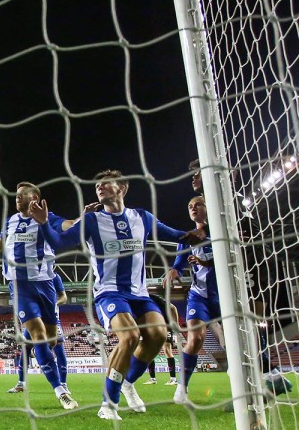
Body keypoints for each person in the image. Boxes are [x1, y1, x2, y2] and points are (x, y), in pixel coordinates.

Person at [30, 169, 205, 420]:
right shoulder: (92, 221)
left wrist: (200, 234)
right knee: (130, 336)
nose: (99, 187)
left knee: (157, 335)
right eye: (97, 185)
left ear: (122, 188)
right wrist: (44, 223)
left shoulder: (141, 217)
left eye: (105, 184)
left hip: (140, 294)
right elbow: (59, 244)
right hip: (109, 293)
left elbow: (175, 235)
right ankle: (107, 404)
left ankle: (126, 382)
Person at [0, 182, 81, 409]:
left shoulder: (47, 218)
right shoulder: (11, 221)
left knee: (51, 339)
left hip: (45, 285)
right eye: (15, 195)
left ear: (34, 197)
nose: (17, 198)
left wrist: (82, 219)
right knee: (37, 335)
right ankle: (60, 390)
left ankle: (53, 374)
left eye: (22, 194)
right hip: (20, 285)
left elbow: (67, 225)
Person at [167, 195, 219, 403]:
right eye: (190, 206)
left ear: (209, 206)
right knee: (195, 337)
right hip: (199, 295)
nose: (193, 208)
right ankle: (182, 388)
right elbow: (179, 262)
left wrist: (206, 263)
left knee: (242, 341)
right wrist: (173, 271)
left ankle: (265, 375)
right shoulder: (189, 238)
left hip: (224, 296)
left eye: (198, 204)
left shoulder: (221, 233)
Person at [143, 293, 179, 386]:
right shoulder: (146, 298)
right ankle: (153, 378)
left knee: (167, 350)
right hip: (155, 326)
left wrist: (176, 323)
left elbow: (172, 307)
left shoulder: (152, 298)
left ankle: (173, 379)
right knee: (150, 351)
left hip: (165, 325)